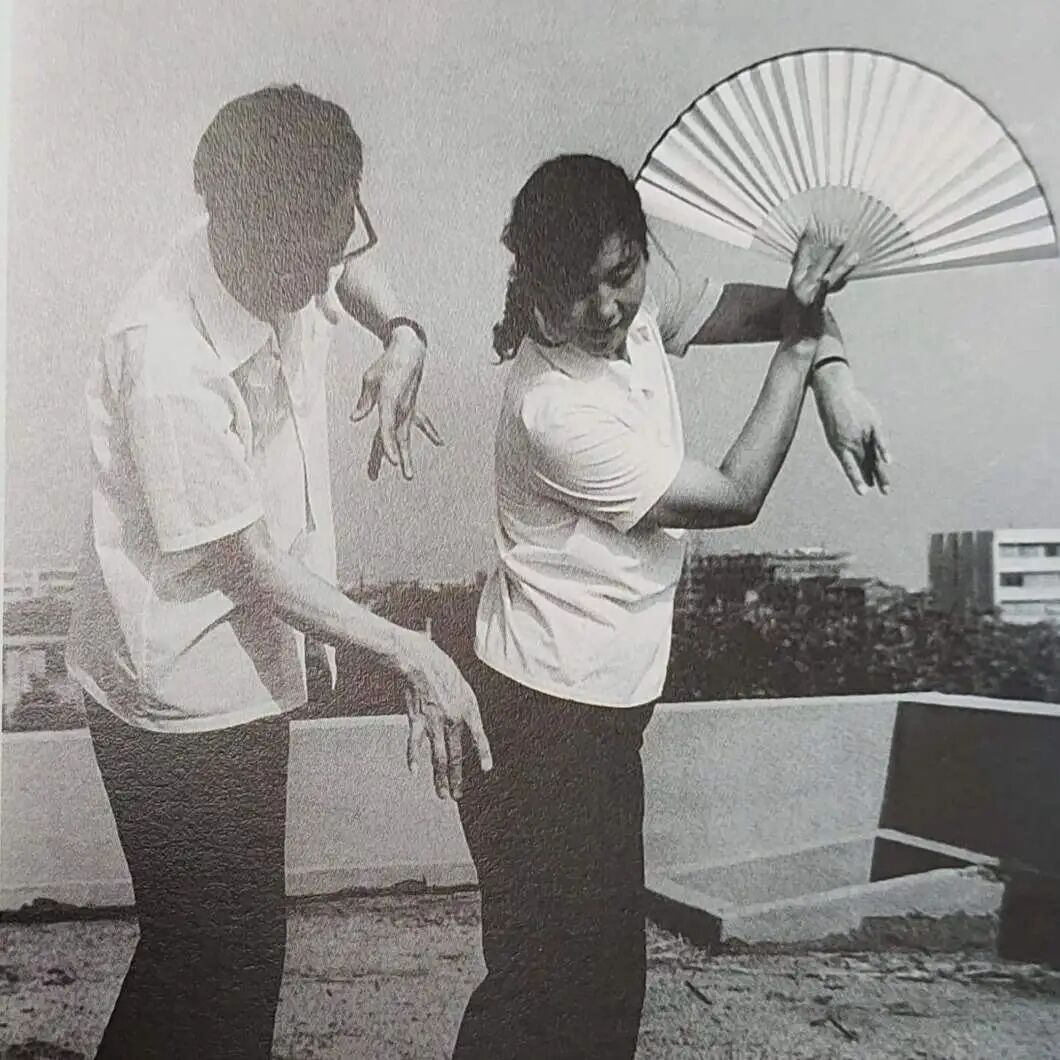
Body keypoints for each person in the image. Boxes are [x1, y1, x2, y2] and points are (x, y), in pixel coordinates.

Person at [64, 84, 491, 1060]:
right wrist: (413, 653)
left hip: (250, 662)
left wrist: (404, 333)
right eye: (318, 255)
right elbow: (246, 562)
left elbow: (354, 265)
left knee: (223, 956)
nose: (336, 268)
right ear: (253, 236)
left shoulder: (287, 245)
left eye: (345, 232)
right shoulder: (166, 357)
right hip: (174, 687)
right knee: (213, 959)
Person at [453, 154, 889, 1059]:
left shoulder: (645, 306)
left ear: (642, 252)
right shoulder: (551, 410)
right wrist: (802, 353)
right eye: (578, 290)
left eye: (622, 274)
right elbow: (735, 494)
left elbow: (795, 305)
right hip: (544, 719)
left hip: (597, 713)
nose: (608, 307)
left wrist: (836, 376)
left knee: (592, 996)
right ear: (535, 284)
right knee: (552, 1000)